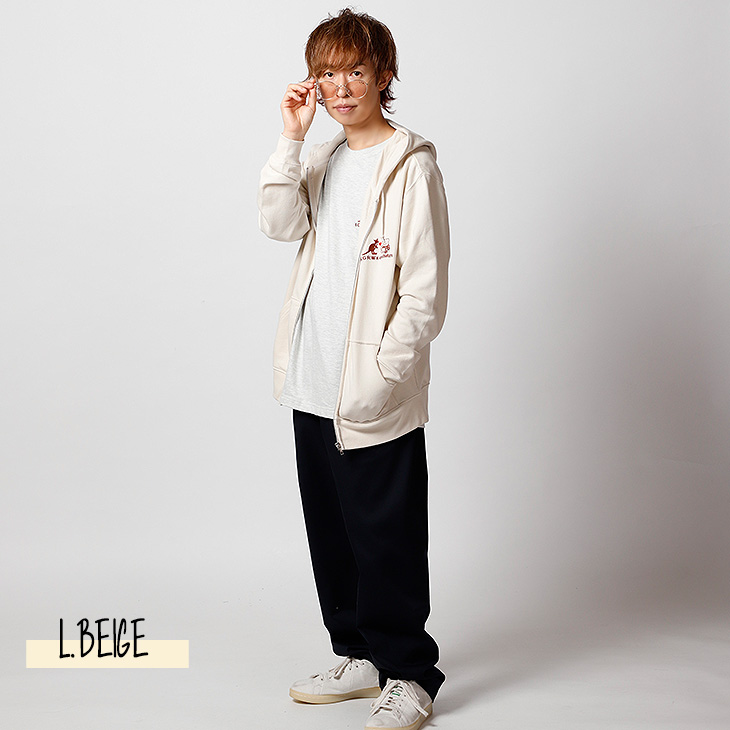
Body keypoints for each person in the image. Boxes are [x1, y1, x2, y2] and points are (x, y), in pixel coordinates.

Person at [256, 8, 450, 730]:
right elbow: (278, 223)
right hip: (312, 380)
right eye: (327, 74)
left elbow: (425, 294)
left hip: (371, 391)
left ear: (383, 76)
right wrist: (291, 136)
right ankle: (359, 654)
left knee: (386, 537)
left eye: (355, 72)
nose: (340, 88)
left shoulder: (410, 165)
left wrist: (384, 376)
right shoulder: (324, 156)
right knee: (332, 532)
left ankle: (410, 674)